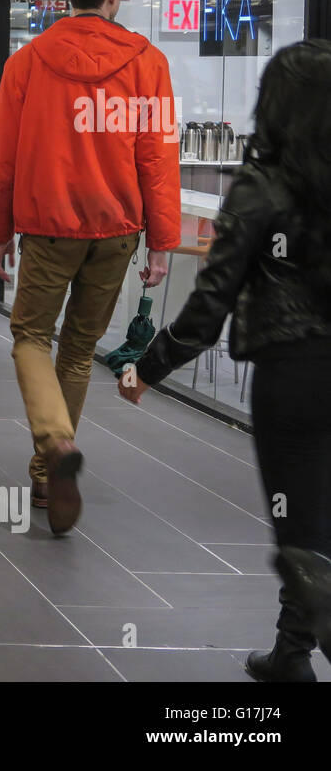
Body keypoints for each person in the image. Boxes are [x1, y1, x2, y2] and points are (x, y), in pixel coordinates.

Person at [120, 40, 331, 682]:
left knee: (300, 526)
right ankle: (291, 654)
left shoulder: (261, 185)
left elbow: (212, 300)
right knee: (315, 526)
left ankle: (301, 646)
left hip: (294, 376)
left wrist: (149, 367)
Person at [0, 0, 180, 536]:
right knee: (76, 349)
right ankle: (49, 470)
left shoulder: (29, 61)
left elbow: (4, 157)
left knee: (29, 336)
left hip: (47, 226)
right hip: (117, 228)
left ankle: (52, 450)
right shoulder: (148, 61)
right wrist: (163, 241)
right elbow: (158, 157)